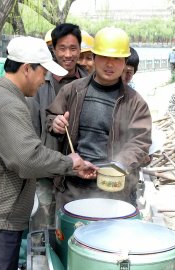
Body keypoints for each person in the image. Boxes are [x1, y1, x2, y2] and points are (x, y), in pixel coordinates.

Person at [0, 36, 97, 270]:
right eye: (43, 72)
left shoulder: (8, 96)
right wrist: (71, 163)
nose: (44, 79)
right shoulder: (8, 104)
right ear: (26, 68)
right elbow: (27, 159)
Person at [46, 27, 152, 211]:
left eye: (117, 59)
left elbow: (140, 141)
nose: (110, 64)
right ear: (94, 58)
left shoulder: (135, 102)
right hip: (72, 187)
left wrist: (117, 166)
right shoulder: (72, 90)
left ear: (125, 62)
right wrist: (55, 123)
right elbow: (52, 116)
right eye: (104, 57)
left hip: (113, 191)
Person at [28, 23, 88, 232]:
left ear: (80, 49)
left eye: (73, 48)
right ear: (53, 49)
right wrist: (53, 124)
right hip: (45, 171)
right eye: (62, 48)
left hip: (77, 175)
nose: (68, 54)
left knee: (74, 229)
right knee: (42, 230)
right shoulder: (39, 81)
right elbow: (31, 127)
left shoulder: (90, 82)